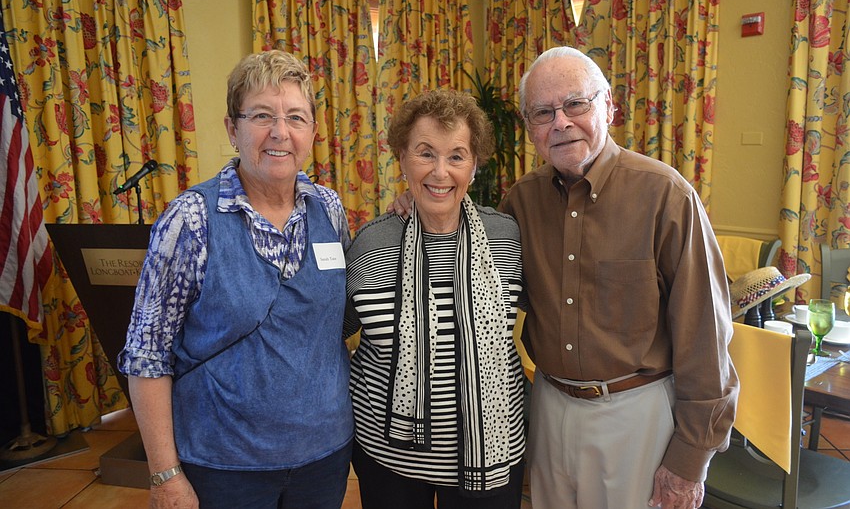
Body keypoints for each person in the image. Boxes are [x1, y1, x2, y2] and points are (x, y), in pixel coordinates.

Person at [390, 47, 739, 509]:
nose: (560, 122)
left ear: (608, 105)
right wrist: (417, 202)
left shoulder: (665, 195)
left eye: (576, 103)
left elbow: (705, 338)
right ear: (530, 126)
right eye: (542, 112)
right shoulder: (522, 203)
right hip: (550, 408)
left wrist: (691, 459)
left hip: (635, 412)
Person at [118, 50, 353, 509]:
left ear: (312, 131)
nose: (279, 133)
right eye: (262, 115)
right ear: (233, 128)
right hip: (224, 466)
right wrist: (165, 475)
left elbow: (335, 321)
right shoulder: (190, 220)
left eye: (295, 117)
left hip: (323, 457)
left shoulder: (329, 208)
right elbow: (147, 355)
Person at [343, 90, 527, 508]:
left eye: (457, 156)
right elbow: (335, 331)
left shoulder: (508, 237)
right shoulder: (371, 243)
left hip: (491, 458)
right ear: (402, 158)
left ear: (475, 165)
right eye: (425, 154)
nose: (440, 172)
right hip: (387, 459)